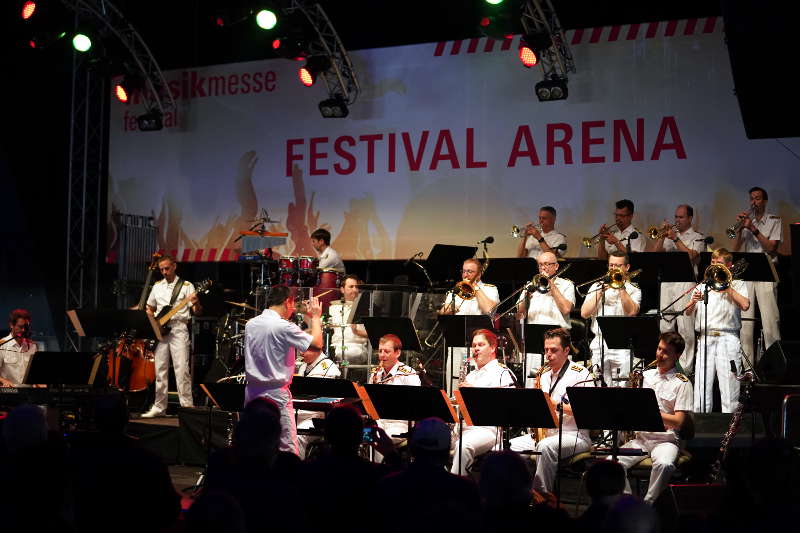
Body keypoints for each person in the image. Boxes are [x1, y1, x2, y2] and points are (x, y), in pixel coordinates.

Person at [509, 327, 594, 494]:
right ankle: (514, 493)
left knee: (545, 447)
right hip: (546, 433)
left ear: (566, 350)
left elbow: (587, 412)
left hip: (574, 435)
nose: (548, 354)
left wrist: (554, 405)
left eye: (553, 350)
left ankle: (542, 496)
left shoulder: (581, 374)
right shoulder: (543, 374)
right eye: (546, 350)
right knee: (506, 447)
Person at [612, 332, 693, 504]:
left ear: (677, 356)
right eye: (659, 349)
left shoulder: (682, 383)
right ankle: (628, 504)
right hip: (641, 439)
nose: (659, 355)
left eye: (666, 352)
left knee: (664, 464)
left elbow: (679, 421)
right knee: (611, 465)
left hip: (666, 440)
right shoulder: (645, 376)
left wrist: (650, 412)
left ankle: (649, 505)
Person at [244, 285, 323, 453]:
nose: (293, 309)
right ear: (287, 302)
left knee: (253, 444)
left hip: (252, 393)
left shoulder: (251, 324)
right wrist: (316, 317)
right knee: (286, 447)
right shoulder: (283, 326)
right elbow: (317, 345)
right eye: (293, 304)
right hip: (275, 395)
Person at [377, 417, 482, 533]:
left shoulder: (388, 485)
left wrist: (392, 458)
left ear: (411, 449)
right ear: (447, 453)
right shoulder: (466, 489)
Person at [685, 248, 749, 413]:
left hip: (728, 339)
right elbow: (687, 311)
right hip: (705, 339)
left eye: (719, 264)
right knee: (701, 388)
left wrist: (727, 286)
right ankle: (700, 429)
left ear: (729, 265)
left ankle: (730, 432)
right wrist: (693, 301)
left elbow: (745, 305)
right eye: (713, 263)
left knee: (730, 389)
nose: (714, 267)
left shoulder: (738, 284)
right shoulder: (702, 286)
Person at [649, 204, 706, 373]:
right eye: (676, 217)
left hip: (686, 283)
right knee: (665, 326)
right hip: (667, 282)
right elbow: (654, 255)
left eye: (681, 217)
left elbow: (691, 256)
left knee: (685, 328)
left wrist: (675, 239)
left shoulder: (698, 237)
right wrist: (660, 236)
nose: (677, 220)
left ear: (689, 218)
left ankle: (686, 370)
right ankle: (665, 364)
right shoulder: (668, 236)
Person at [141, 256, 201, 417]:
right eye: (162, 269)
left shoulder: (187, 286)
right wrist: (155, 325)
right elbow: (149, 308)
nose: (164, 272)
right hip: (161, 331)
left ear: (174, 266)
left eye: (167, 268)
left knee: (182, 370)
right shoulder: (157, 286)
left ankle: (187, 407)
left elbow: (197, 312)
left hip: (178, 328)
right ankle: (159, 408)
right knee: (160, 370)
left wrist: (195, 303)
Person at [451, 329, 516, 476]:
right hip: (463, 428)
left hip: (488, 430)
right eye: (474, 345)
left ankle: (455, 489)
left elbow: (506, 405)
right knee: (430, 439)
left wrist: (474, 391)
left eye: (481, 345)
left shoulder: (503, 373)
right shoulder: (471, 374)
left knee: (464, 446)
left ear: (493, 348)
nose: (476, 349)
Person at [731, 186, 782, 364]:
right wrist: (738, 230)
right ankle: (747, 368)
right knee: (745, 323)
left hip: (767, 271)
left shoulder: (774, 220)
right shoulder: (746, 222)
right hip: (748, 272)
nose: (754, 202)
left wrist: (753, 229)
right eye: (752, 198)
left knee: (769, 322)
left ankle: (774, 366)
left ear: (765, 201)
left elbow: (771, 247)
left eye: (758, 198)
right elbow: (735, 249)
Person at [580, 251, 642, 385]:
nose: (613, 269)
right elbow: (584, 313)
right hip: (599, 341)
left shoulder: (634, 289)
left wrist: (621, 288)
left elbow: (631, 312)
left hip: (622, 343)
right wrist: (600, 292)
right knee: (598, 381)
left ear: (627, 267)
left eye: (618, 266)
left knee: (622, 383)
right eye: (611, 265)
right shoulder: (597, 286)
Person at [439, 258, 499, 394]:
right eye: (464, 271)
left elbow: (489, 309)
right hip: (456, 342)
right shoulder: (456, 290)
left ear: (479, 274)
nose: (466, 275)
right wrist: (449, 309)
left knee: (474, 382)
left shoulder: (490, 289)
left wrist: (475, 288)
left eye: (470, 272)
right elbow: (442, 313)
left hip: (478, 345)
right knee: (453, 382)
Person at [517, 251, 575, 382]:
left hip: (557, 344)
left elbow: (566, 309)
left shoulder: (566, 285)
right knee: (532, 383)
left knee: (556, 382)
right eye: (540, 265)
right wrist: (527, 296)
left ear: (556, 266)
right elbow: (519, 314)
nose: (543, 268)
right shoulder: (530, 285)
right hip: (534, 343)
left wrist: (551, 284)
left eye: (547, 264)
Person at [368, 334, 421, 453]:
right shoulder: (376, 374)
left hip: (400, 424)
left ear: (397, 353)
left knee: (378, 438)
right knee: (362, 434)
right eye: (380, 351)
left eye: (387, 351)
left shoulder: (408, 374)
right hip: (380, 421)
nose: (382, 355)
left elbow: (416, 403)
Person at [295, 345, 340, 459]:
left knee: (296, 436)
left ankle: (296, 470)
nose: (300, 353)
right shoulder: (304, 366)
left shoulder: (329, 368)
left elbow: (326, 401)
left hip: (316, 418)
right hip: (299, 413)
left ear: (317, 349)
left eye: (304, 349)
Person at [327, 274, 369, 364]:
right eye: (351, 287)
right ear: (342, 289)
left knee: (344, 353)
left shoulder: (367, 309)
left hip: (357, 347)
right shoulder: (333, 308)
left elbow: (374, 334)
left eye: (356, 287)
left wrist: (357, 332)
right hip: (335, 346)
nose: (355, 290)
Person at [0, 309, 37, 387]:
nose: (23, 330)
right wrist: (4, 381)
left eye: (25, 327)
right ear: (11, 325)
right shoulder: (2, 345)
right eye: (20, 327)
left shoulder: (32, 346)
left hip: (29, 394)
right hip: (9, 393)